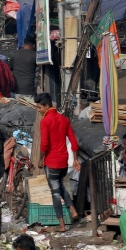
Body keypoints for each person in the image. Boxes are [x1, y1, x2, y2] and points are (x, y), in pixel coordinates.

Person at [37, 93, 80, 231]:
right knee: (60, 186)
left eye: (39, 107)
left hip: (52, 162)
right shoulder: (64, 119)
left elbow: (44, 144)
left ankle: (62, 225)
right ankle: (72, 209)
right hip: (64, 161)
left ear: (46, 106)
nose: (38, 110)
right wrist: (76, 159)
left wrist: (40, 159)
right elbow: (74, 141)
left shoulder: (45, 121)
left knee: (55, 192)